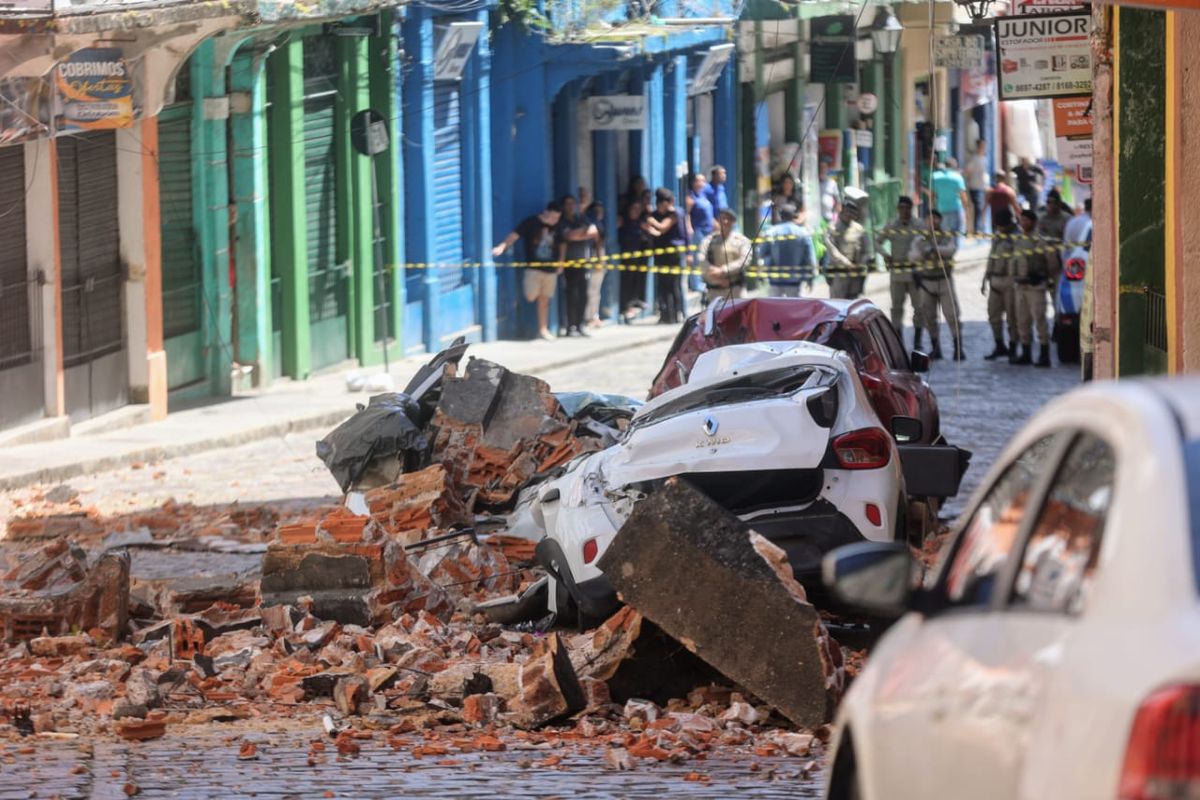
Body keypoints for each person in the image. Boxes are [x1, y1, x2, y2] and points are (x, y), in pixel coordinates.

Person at [493, 200, 563, 340]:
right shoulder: (531, 222)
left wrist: (561, 262)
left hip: (550, 269)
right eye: (552, 217)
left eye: (557, 218)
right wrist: (501, 247)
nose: (554, 221)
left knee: (544, 300)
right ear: (545, 213)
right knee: (530, 296)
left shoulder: (558, 227)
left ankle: (543, 329)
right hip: (533, 268)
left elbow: (562, 244)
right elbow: (515, 235)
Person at [909, 210, 963, 361]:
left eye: (936, 219)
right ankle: (936, 348)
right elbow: (912, 256)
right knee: (929, 317)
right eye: (929, 219)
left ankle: (958, 348)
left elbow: (951, 250)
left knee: (952, 315)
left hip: (944, 280)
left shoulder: (946, 236)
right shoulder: (920, 238)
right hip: (927, 281)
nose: (933, 222)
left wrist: (935, 249)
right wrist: (925, 251)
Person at [1010, 209, 1054, 367]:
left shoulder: (1040, 241)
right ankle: (1026, 353)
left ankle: (1044, 355)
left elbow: (1052, 264)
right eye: (1022, 220)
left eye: (1027, 220)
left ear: (1034, 222)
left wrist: (1048, 280)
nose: (1024, 223)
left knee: (1040, 320)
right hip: (1020, 286)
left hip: (1036, 286)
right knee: (1022, 321)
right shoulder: (1018, 240)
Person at [881, 196, 925, 349]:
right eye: (901, 208)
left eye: (907, 208)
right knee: (896, 308)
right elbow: (877, 241)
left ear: (911, 209)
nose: (904, 211)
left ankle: (918, 342)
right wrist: (886, 255)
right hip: (897, 273)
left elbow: (927, 243)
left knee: (919, 308)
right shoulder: (892, 225)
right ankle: (898, 342)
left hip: (915, 273)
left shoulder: (919, 225)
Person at [556, 194, 599, 337]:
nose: (570, 206)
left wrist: (579, 234)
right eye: (567, 204)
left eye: (573, 203)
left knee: (583, 296)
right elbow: (568, 236)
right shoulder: (562, 221)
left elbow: (594, 231)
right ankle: (570, 327)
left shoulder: (580, 218)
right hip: (570, 263)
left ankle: (580, 325)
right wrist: (583, 233)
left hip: (584, 262)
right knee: (571, 296)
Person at [644, 187, 688, 324]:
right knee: (663, 286)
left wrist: (652, 223)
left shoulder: (675, 213)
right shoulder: (656, 214)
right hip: (660, 253)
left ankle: (677, 314)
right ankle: (665, 315)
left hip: (674, 253)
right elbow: (657, 233)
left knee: (674, 285)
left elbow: (662, 228)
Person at [697, 207, 754, 304]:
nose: (725, 221)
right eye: (722, 218)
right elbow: (701, 259)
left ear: (734, 222)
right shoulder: (709, 240)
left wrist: (723, 270)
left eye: (729, 219)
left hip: (736, 290)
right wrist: (717, 277)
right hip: (714, 291)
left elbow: (744, 261)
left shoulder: (742, 241)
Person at [981, 218, 1019, 360]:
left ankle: (1013, 347)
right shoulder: (997, 236)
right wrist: (985, 279)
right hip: (995, 280)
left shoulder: (1017, 236)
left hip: (1009, 280)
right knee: (993, 316)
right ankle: (999, 345)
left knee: (1012, 317)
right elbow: (991, 258)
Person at [762, 204, 815, 297]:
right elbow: (810, 258)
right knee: (794, 309)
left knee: (775, 308)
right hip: (795, 280)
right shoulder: (803, 233)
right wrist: (810, 278)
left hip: (775, 280)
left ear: (780, 216)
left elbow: (762, 253)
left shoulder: (771, 232)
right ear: (794, 216)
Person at [824, 199, 874, 299]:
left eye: (852, 213)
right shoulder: (832, 228)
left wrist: (860, 264)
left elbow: (866, 251)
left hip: (855, 274)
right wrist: (847, 264)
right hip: (839, 273)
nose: (849, 215)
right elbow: (832, 251)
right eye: (847, 212)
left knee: (853, 305)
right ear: (841, 212)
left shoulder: (859, 229)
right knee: (838, 305)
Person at [617, 199, 650, 323]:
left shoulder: (639, 224)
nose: (636, 212)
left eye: (638, 209)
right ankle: (625, 308)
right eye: (633, 209)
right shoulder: (623, 222)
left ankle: (633, 305)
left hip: (636, 259)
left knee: (635, 283)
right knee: (626, 284)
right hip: (625, 258)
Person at [684, 172, 715, 292]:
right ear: (693, 183)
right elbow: (686, 214)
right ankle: (695, 284)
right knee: (696, 259)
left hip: (708, 231)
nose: (701, 183)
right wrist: (689, 228)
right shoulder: (691, 197)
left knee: (705, 258)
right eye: (699, 180)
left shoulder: (704, 196)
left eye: (703, 180)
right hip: (697, 231)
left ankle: (703, 281)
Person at [929, 158, 971, 236]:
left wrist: (933, 209)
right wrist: (967, 211)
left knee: (945, 235)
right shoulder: (958, 177)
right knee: (957, 234)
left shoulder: (935, 177)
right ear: (954, 167)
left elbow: (932, 195)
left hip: (941, 209)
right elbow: (963, 197)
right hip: (956, 209)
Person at [583, 201, 608, 328]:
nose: (599, 213)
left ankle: (594, 316)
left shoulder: (599, 224)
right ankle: (589, 317)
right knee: (591, 291)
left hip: (597, 259)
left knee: (595, 291)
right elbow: (597, 243)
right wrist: (599, 260)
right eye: (596, 210)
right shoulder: (591, 223)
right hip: (592, 259)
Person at [964, 140, 991, 233]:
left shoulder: (984, 158)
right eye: (983, 146)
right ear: (979, 147)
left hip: (983, 187)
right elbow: (967, 171)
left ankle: (980, 227)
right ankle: (976, 228)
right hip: (975, 187)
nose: (984, 148)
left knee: (982, 208)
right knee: (978, 208)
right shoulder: (974, 159)